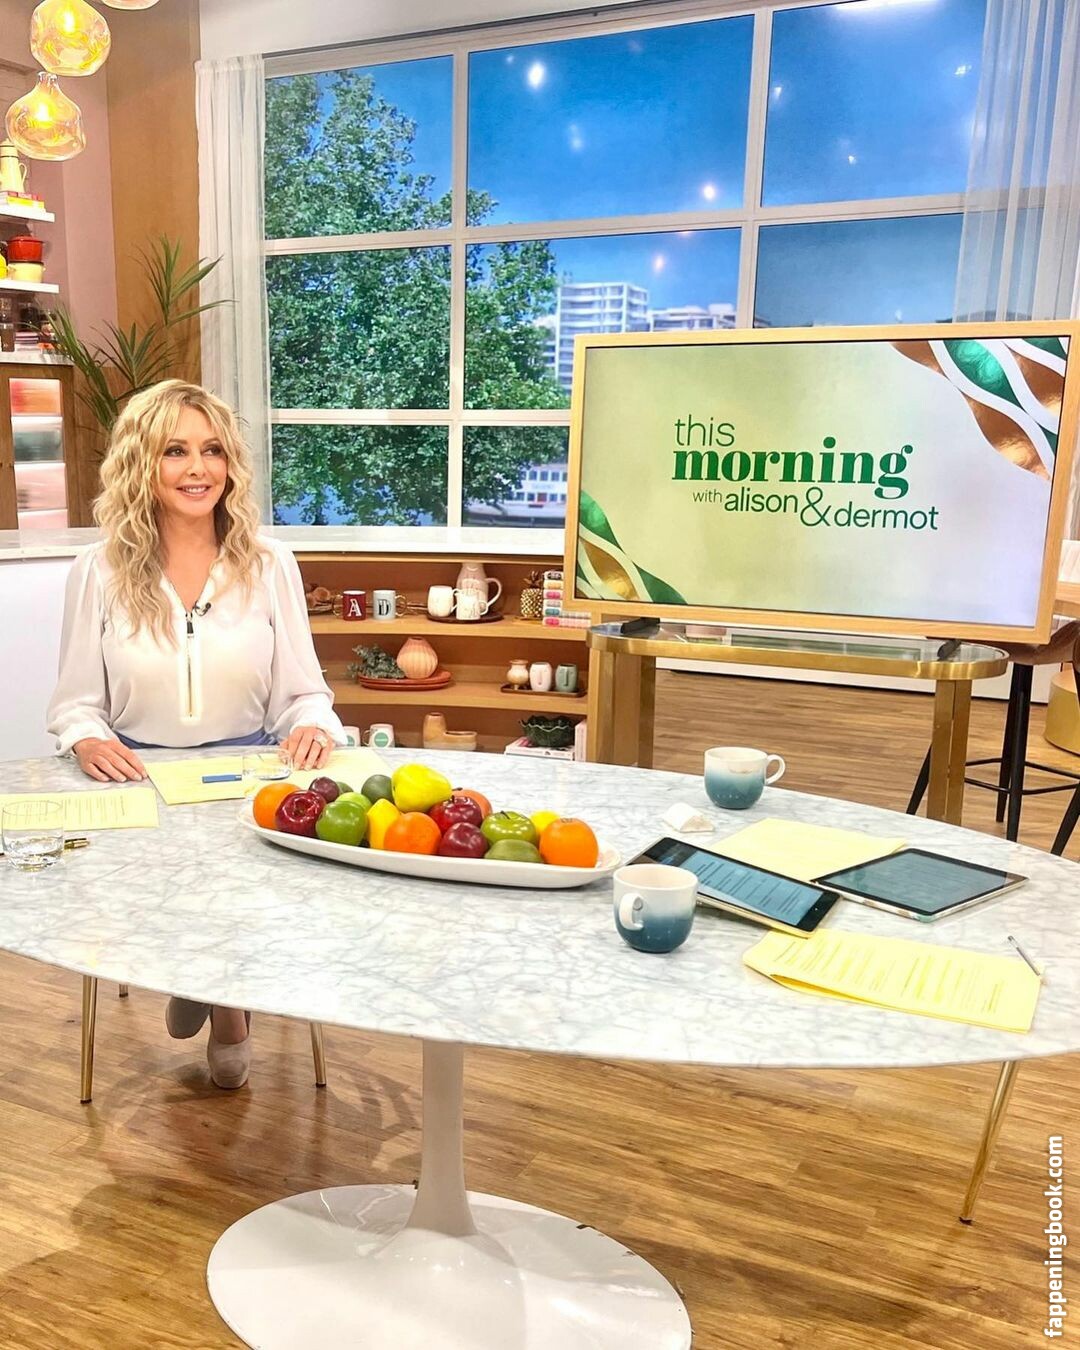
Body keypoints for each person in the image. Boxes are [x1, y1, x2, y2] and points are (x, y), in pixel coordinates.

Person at [46, 379, 345, 1089]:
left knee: (239, 875)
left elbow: (305, 692)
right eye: (175, 451)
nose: (198, 468)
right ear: (141, 463)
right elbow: (75, 703)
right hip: (139, 780)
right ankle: (199, 976)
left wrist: (310, 725)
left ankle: (222, 1002)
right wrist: (87, 739)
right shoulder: (98, 570)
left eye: (212, 450)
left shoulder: (269, 563)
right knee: (164, 882)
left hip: (245, 774)